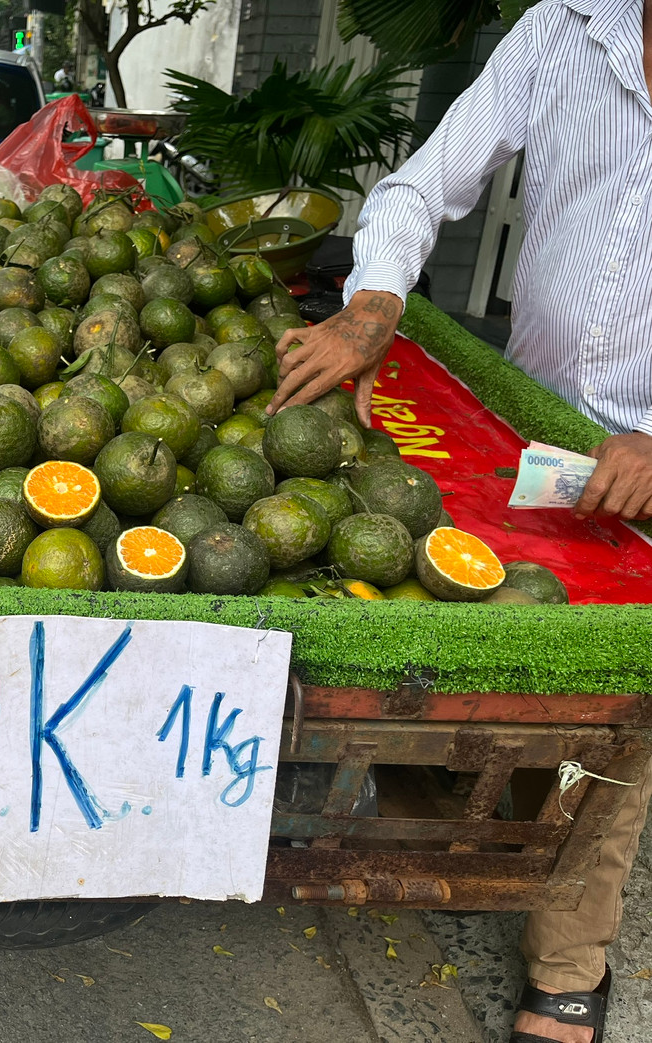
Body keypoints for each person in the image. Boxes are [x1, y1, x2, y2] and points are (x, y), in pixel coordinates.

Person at [267, 2, 652, 1040]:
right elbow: (424, 183)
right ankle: (449, 839)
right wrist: (371, 307)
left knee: (620, 702)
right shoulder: (566, 30)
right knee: (471, 635)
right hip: (527, 427)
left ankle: (568, 964)